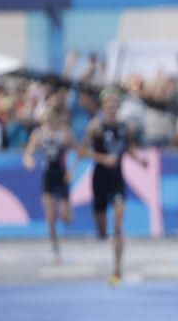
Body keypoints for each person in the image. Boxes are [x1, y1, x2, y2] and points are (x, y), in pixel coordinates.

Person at [80, 89, 147, 286]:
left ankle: (117, 267)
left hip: (117, 178)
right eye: (108, 104)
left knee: (118, 222)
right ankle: (102, 233)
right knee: (101, 226)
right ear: (103, 106)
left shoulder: (124, 127)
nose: (111, 107)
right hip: (100, 178)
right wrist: (102, 158)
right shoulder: (95, 126)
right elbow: (82, 150)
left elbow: (128, 147)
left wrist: (139, 160)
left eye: (114, 103)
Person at [22, 105, 75, 263]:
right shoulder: (38, 134)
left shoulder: (64, 132)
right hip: (48, 177)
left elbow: (77, 150)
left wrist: (72, 169)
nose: (49, 123)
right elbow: (28, 153)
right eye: (46, 120)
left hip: (61, 175)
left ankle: (68, 213)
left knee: (64, 215)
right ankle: (55, 247)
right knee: (50, 215)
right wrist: (29, 161)